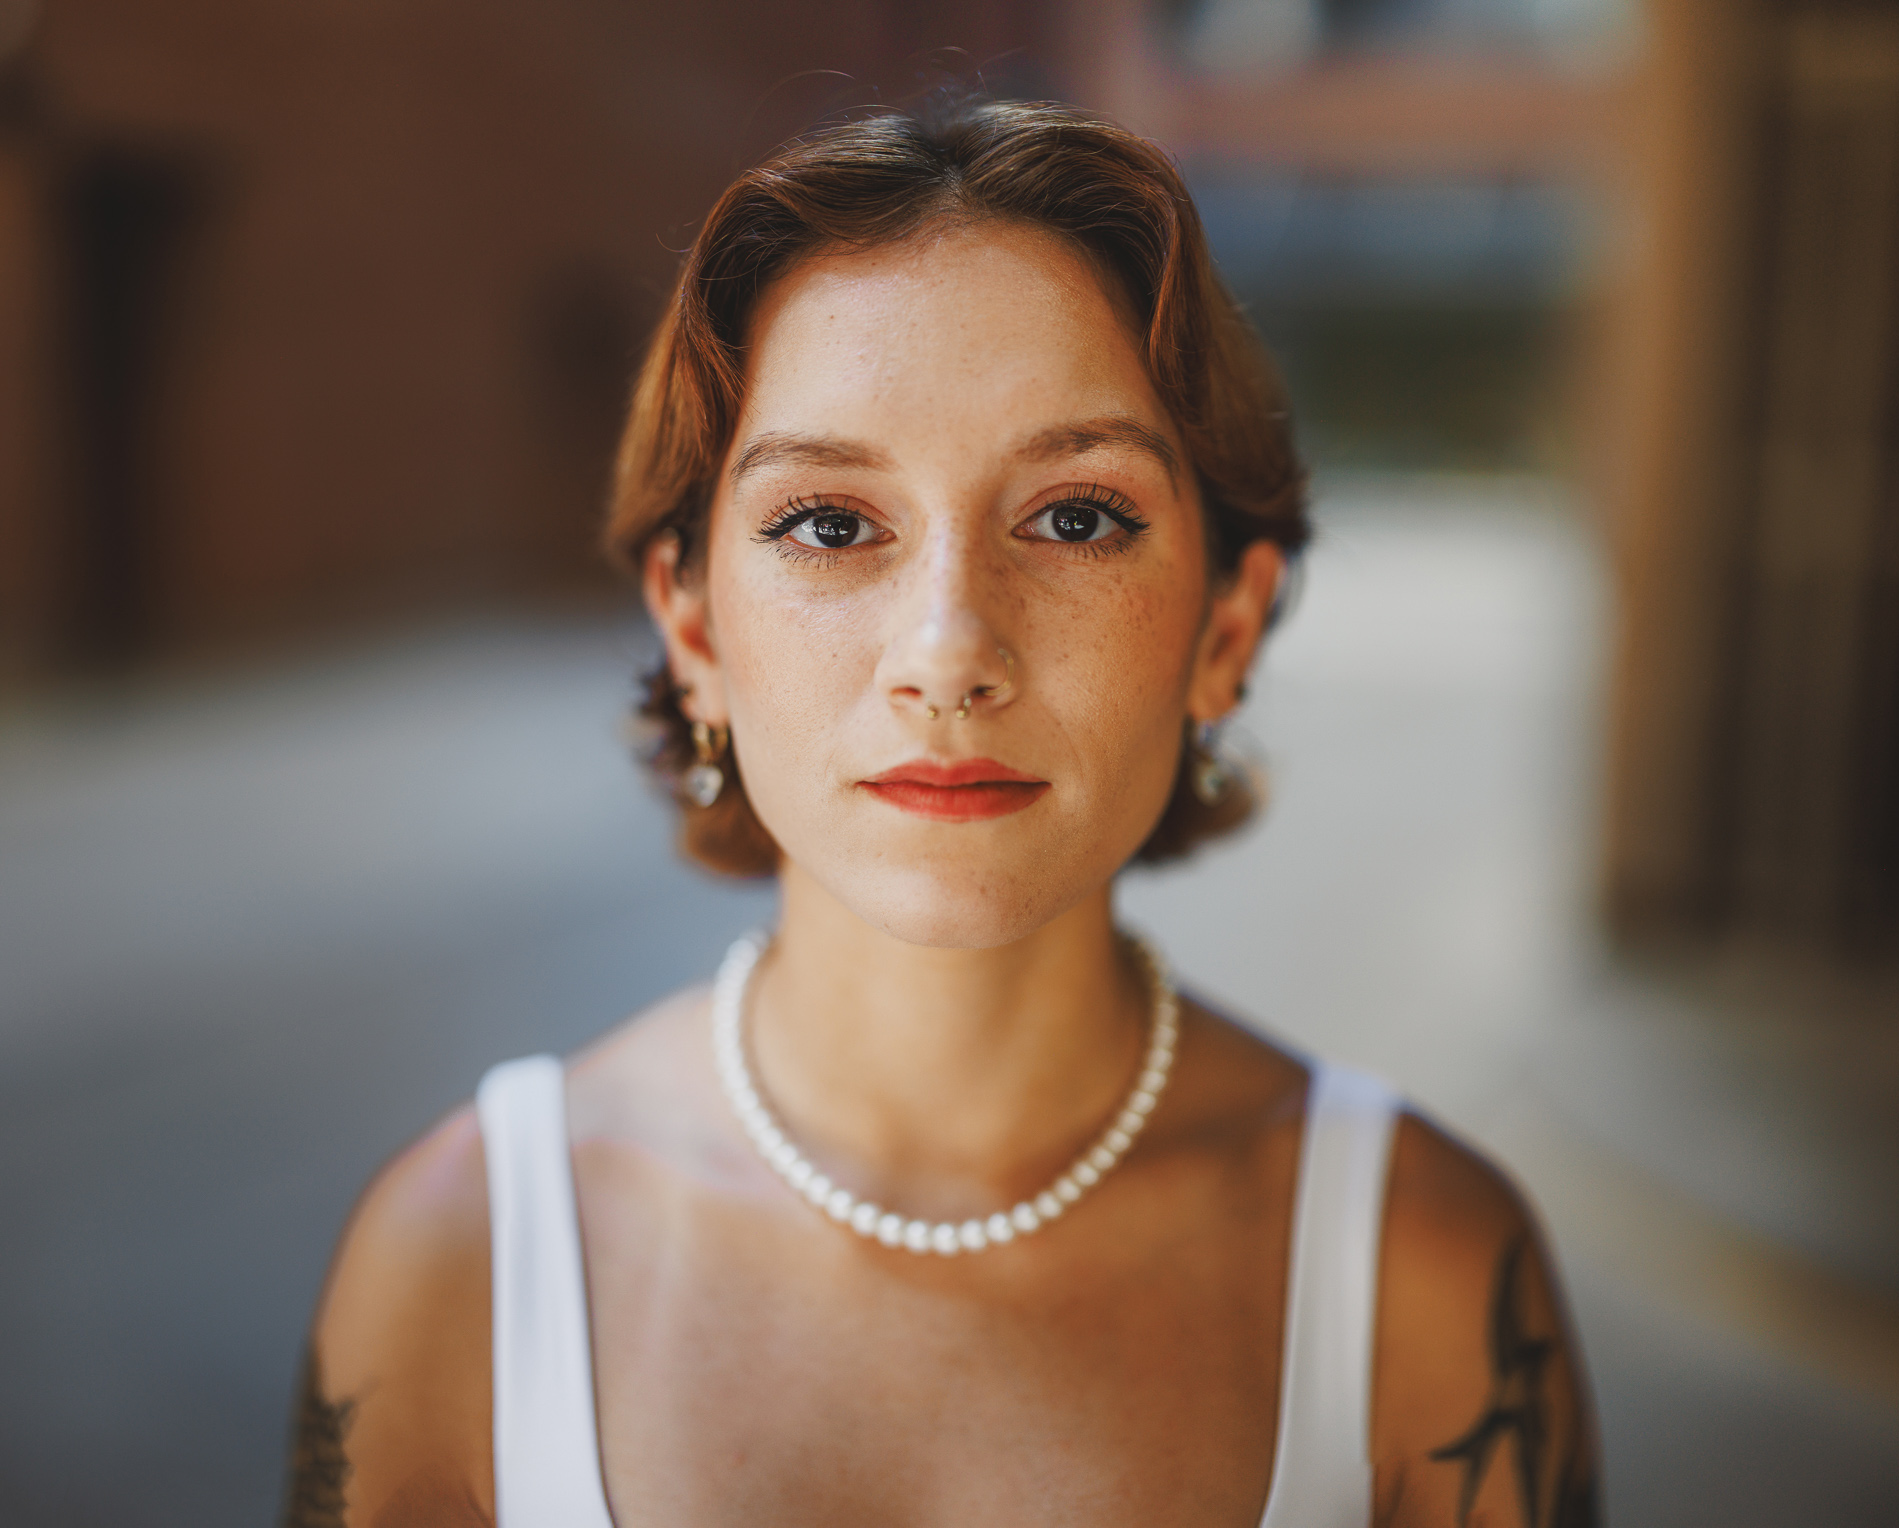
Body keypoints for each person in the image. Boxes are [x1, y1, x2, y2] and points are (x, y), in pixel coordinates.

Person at [285, 98, 1599, 1528]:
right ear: (693, 627)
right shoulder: (460, 1263)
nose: (949, 649)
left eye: (1077, 516)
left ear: (1227, 627)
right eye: (832, 525)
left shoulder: (1426, 1279)